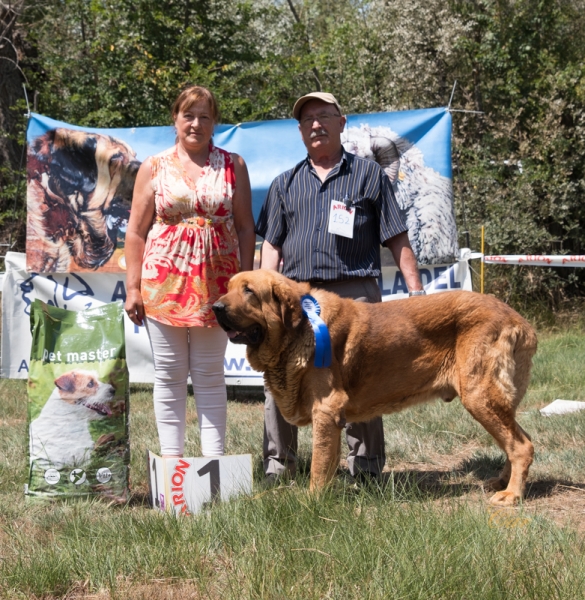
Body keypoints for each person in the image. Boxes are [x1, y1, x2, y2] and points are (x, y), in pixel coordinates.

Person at [255, 91, 425, 483]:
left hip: (355, 296)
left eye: (324, 116)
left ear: (341, 121)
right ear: (299, 131)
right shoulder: (285, 183)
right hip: (300, 303)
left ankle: (364, 468)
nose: (316, 124)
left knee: (361, 379)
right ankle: (279, 466)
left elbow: (397, 238)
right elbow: (272, 247)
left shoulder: (369, 176)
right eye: (307, 119)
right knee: (280, 379)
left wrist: (416, 296)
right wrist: (269, 299)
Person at [125, 85, 255, 458]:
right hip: (162, 287)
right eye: (189, 115)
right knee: (168, 376)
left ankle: (214, 465)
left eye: (205, 116)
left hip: (219, 288)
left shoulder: (234, 165)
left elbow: (246, 228)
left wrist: (244, 288)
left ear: (215, 122)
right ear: (175, 119)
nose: (196, 123)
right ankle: (173, 465)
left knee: (211, 376)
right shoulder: (153, 167)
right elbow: (135, 231)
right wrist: (132, 288)